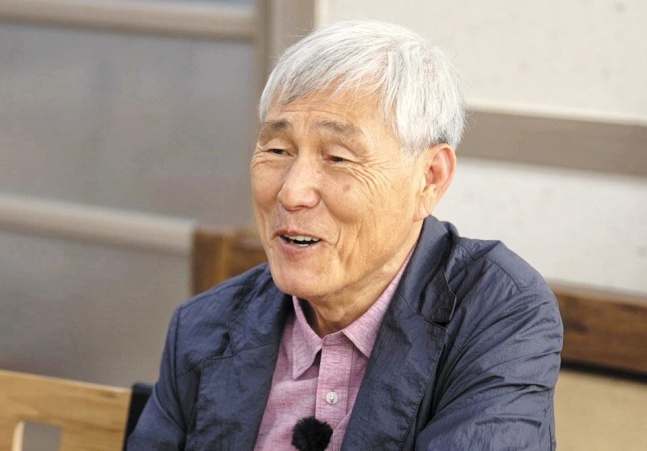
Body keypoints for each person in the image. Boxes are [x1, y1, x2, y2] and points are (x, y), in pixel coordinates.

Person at [128, 20, 563, 450]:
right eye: (277, 150)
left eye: (337, 157)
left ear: (429, 178)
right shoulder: (205, 326)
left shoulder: (499, 313)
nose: (292, 192)